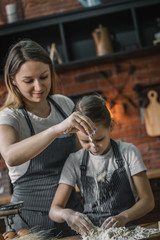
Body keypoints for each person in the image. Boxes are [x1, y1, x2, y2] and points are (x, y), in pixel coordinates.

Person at [0, 39, 96, 237]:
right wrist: (56, 130)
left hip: (71, 215)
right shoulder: (10, 116)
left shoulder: (63, 104)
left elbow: (81, 159)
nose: (38, 86)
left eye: (44, 77)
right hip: (30, 223)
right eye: (28, 81)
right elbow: (10, 155)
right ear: (13, 80)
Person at [49, 94, 155, 236]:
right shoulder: (74, 161)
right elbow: (54, 210)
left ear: (110, 126)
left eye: (99, 139)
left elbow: (148, 201)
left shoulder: (128, 152)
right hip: (94, 234)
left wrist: (124, 217)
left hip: (127, 231)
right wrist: (68, 215)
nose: (93, 147)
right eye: (85, 141)